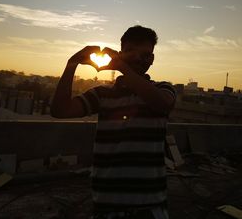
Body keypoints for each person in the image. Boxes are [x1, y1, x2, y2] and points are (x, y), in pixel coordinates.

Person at [51, 25, 176, 219]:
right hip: (107, 206)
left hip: (151, 206)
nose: (138, 59)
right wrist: (72, 64)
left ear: (152, 60)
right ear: (120, 53)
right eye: (130, 51)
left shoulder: (163, 89)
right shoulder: (102, 95)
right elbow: (60, 110)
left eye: (145, 55)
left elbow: (162, 104)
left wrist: (122, 66)